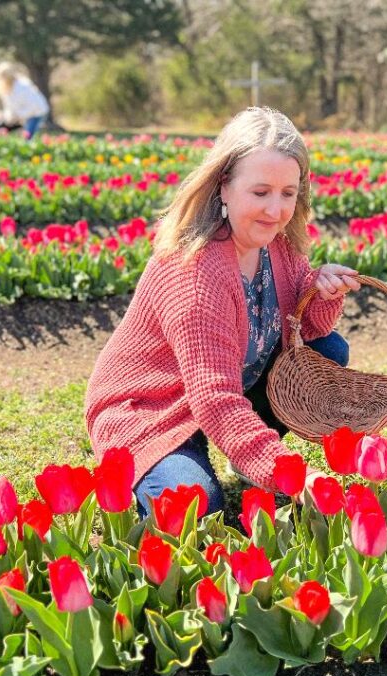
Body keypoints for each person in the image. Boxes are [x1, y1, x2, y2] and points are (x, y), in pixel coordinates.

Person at [85, 107, 360, 516]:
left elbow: (308, 328)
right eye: (261, 192)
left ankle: (246, 454)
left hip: (224, 386)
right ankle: (175, 462)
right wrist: (293, 474)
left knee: (328, 350)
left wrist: (321, 290)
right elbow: (214, 399)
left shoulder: (277, 245)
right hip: (151, 407)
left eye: (289, 193)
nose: (276, 210)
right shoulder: (195, 274)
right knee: (198, 508)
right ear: (223, 187)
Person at [0, 63, 50, 139]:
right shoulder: (5, 89)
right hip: (25, 115)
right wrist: (8, 117)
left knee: (29, 136)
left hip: (37, 112)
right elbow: (9, 107)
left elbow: (33, 105)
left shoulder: (23, 85)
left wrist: (19, 116)